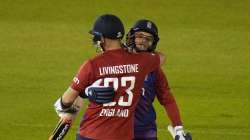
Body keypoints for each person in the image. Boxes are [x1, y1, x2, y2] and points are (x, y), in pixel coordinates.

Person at [53, 14, 161, 140]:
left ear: (103, 38)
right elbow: (161, 58)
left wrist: (84, 93)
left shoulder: (92, 65)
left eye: (96, 36)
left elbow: (67, 101)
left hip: (91, 134)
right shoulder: (142, 62)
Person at [85, 19, 192, 140]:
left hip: (144, 131)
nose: (143, 41)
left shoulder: (154, 70)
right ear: (131, 36)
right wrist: (88, 90)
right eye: (140, 36)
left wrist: (178, 128)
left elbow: (167, 98)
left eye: (148, 39)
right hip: (114, 128)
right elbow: (87, 81)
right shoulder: (114, 61)